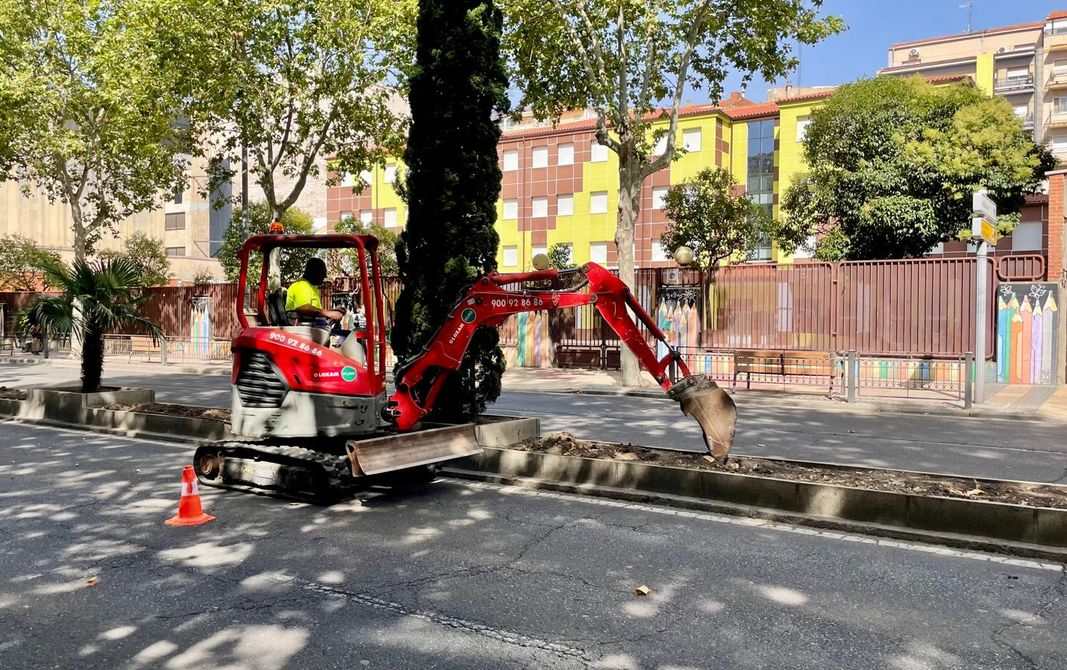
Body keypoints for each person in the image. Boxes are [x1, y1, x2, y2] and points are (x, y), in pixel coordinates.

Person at [285, 258, 345, 324]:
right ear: (314, 272)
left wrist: (332, 312)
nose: (325, 276)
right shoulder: (301, 285)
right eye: (323, 272)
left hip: (314, 327)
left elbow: (315, 312)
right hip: (303, 329)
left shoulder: (311, 287)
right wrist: (328, 313)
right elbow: (303, 308)